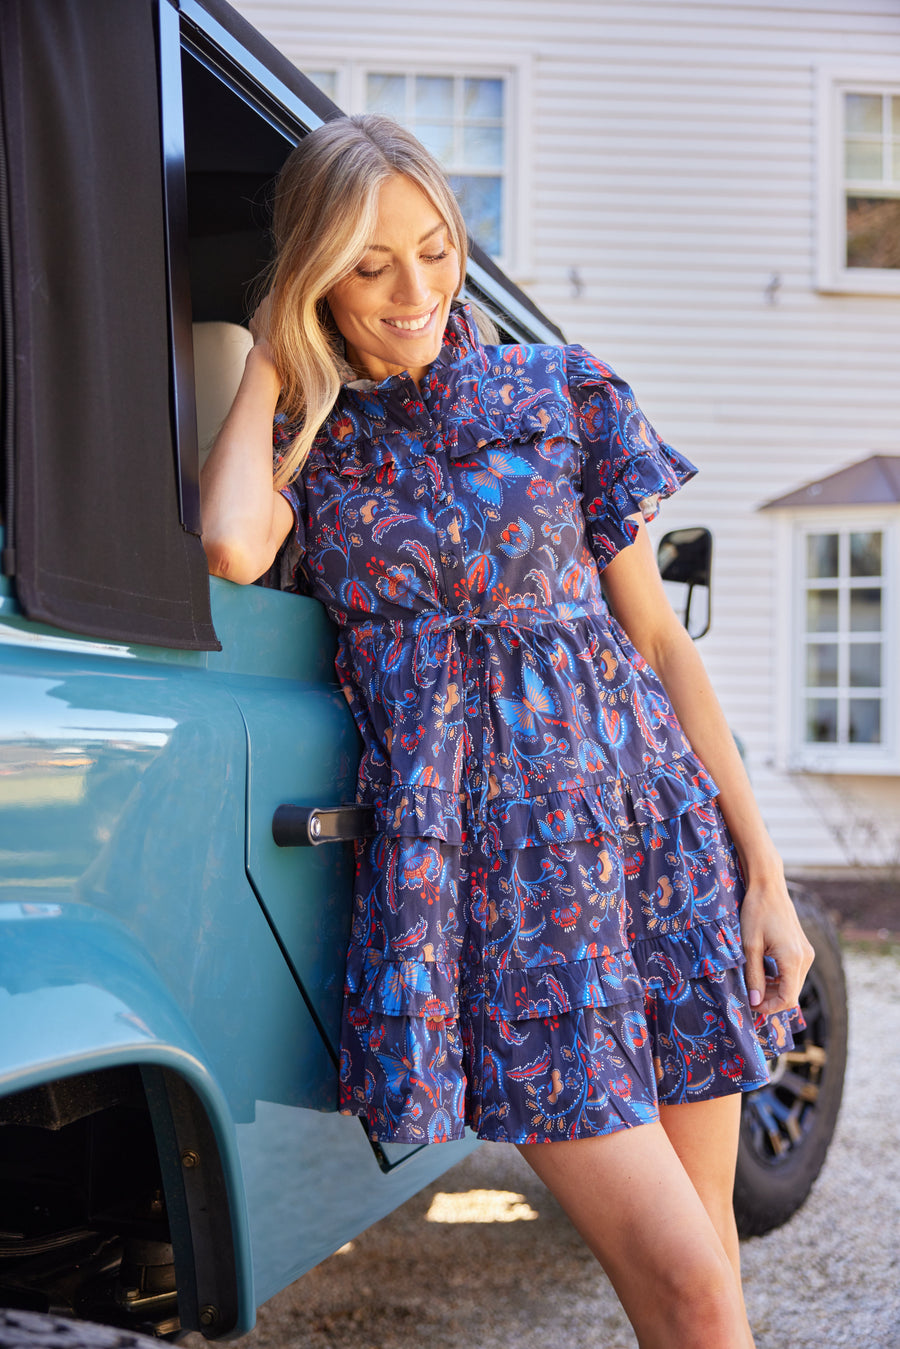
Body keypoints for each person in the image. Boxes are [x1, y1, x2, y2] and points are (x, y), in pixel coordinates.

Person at [201, 113, 813, 1349]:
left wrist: (766, 873)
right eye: (369, 265)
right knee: (686, 1287)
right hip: (506, 896)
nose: (415, 291)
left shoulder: (562, 391)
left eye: (434, 249)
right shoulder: (313, 447)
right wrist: (273, 352)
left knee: (701, 1265)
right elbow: (229, 543)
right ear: (316, 275)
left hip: (657, 844)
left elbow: (658, 646)